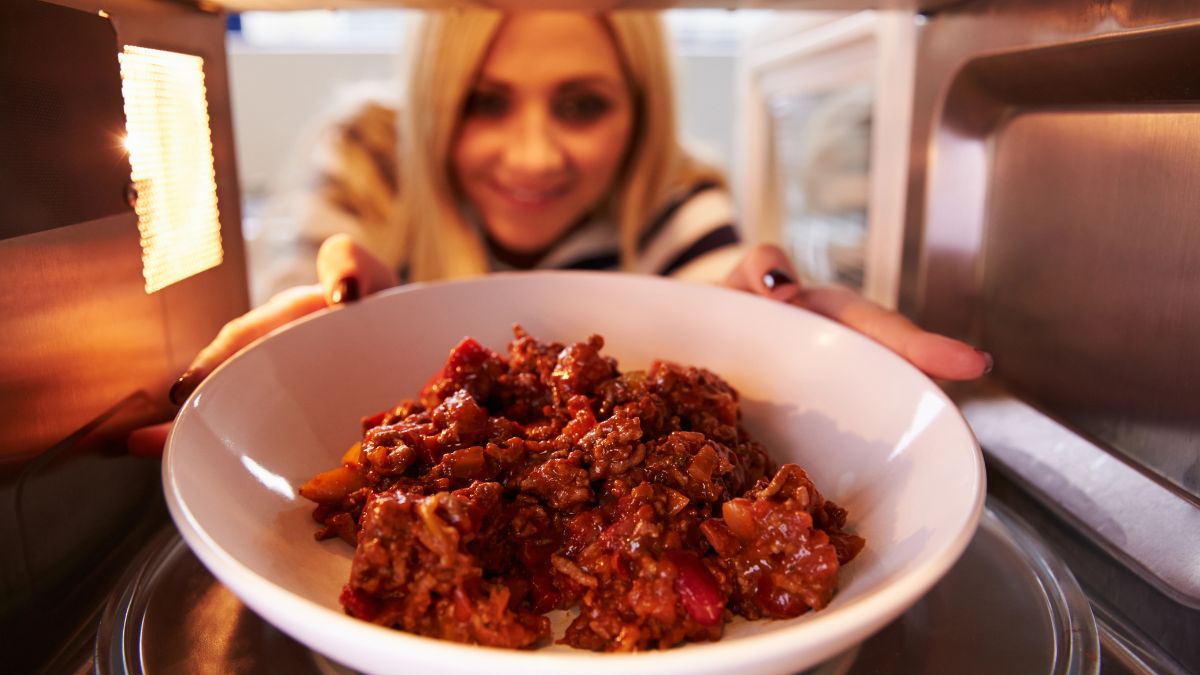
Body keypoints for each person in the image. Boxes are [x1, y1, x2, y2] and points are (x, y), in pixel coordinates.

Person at [152, 10, 989, 436]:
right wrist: (308, 332)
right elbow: (293, 316)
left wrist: (779, 333)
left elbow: (716, 296)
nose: (533, 156)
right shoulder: (367, 154)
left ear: (640, 105)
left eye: (583, 105)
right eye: (486, 102)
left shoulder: (671, 190)